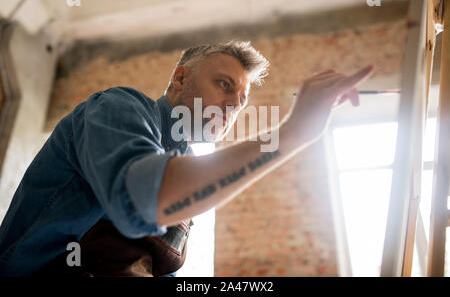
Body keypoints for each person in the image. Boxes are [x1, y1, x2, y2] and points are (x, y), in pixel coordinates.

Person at [0, 40, 373, 277]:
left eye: (241, 101)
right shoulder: (119, 106)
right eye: (224, 85)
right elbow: (144, 200)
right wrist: (290, 135)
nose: (233, 106)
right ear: (179, 78)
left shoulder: (189, 167)